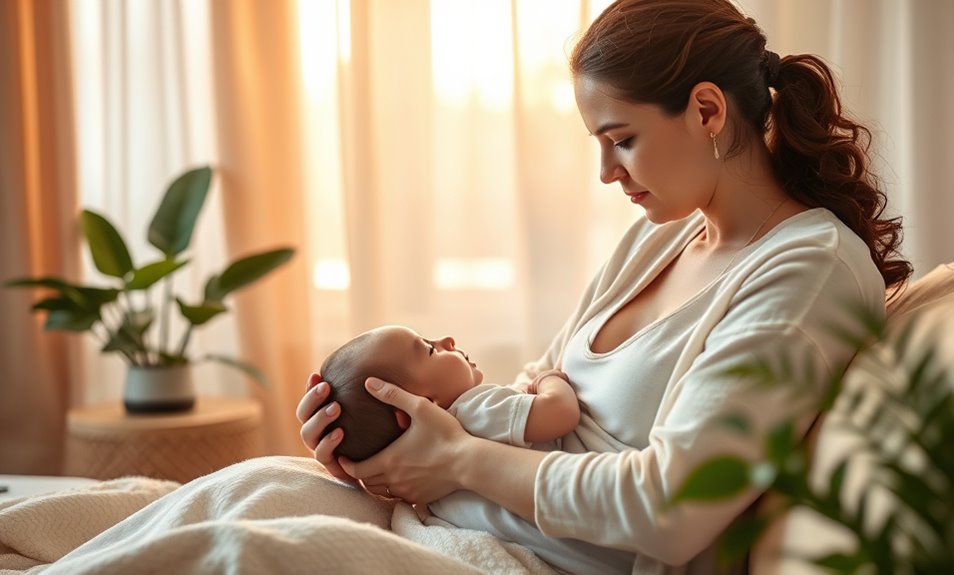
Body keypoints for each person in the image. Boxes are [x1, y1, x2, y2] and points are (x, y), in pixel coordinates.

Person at [296, 0, 911, 572]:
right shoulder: (660, 237)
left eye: (622, 140)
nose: (606, 172)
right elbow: (538, 378)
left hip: (547, 555)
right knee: (259, 498)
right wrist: (375, 449)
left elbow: (672, 507)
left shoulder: (808, 268)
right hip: (477, 525)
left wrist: (456, 459)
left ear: (707, 111)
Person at [317, 325, 583, 462]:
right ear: (419, 406)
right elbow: (561, 413)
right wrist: (548, 379)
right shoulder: (475, 409)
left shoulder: (421, 468)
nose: (447, 340)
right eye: (430, 349)